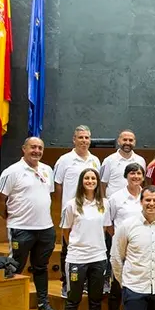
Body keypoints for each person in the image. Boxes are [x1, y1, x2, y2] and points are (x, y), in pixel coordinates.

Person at [0, 137, 57, 310]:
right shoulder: (12, 171)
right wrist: (8, 217)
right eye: (33, 147)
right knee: (15, 266)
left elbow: (46, 195)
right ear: (24, 149)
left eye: (40, 148)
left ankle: (43, 304)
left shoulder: (47, 170)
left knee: (41, 267)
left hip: (45, 228)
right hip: (21, 228)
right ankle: (8, 305)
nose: (36, 151)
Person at [60, 168, 112, 310]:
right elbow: (66, 231)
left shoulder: (104, 203)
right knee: (73, 298)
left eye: (93, 178)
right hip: (76, 258)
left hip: (98, 257)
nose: (90, 181)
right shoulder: (72, 204)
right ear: (82, 181)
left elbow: (105, 230)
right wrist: (77, 246)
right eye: (87, 178)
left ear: (98, 181)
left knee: (96, 297)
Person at [53, 125, 101, 298]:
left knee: (90, 246)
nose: (84, 141)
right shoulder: (64, 160)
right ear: (74, 139)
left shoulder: (95, 160)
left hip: (91, 212)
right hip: (72, 212)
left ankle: (86, 283)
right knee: (68, 247)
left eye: (87, 137)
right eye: (81, 137)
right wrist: (66, 205)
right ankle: (67, 284)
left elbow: (97, 186)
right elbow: (57, 185)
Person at [106, 163, 146, 310]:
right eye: (132, 173)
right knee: (117, 290)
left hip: (142, 250)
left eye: (139, 173)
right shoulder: (115, 198)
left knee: (140, 290)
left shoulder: (147, 196)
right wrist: (122, 240)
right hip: (121, 250)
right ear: (126, 176)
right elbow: (108, 224)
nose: (135, 176)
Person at [100, 129, 146, 198]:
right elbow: (102, 184)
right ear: (118, 141)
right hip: (113, 204)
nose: (127, 143)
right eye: (124, 140)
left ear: (134, 142)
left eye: (130, 140)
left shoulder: (140, 161)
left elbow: (141, 183)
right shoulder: (108, 160)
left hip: (134, 202)